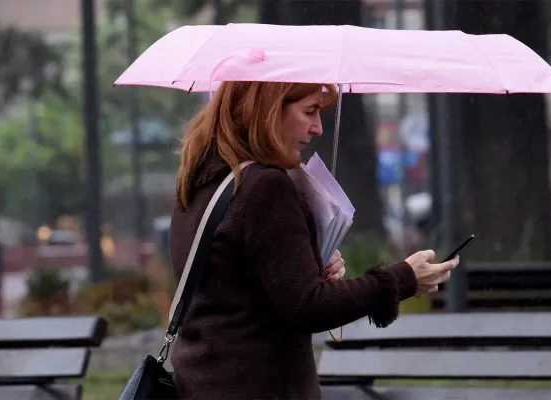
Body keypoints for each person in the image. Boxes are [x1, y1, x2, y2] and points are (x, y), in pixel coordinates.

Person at [168, 81, 459, 400]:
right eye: (309, 111)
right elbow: (308, 306)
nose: (318, 127)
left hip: (205, 384)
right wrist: (402, 278)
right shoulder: (266, 189)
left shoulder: (204, 179)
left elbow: (235, 294)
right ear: (266, 111)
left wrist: (304, 264)